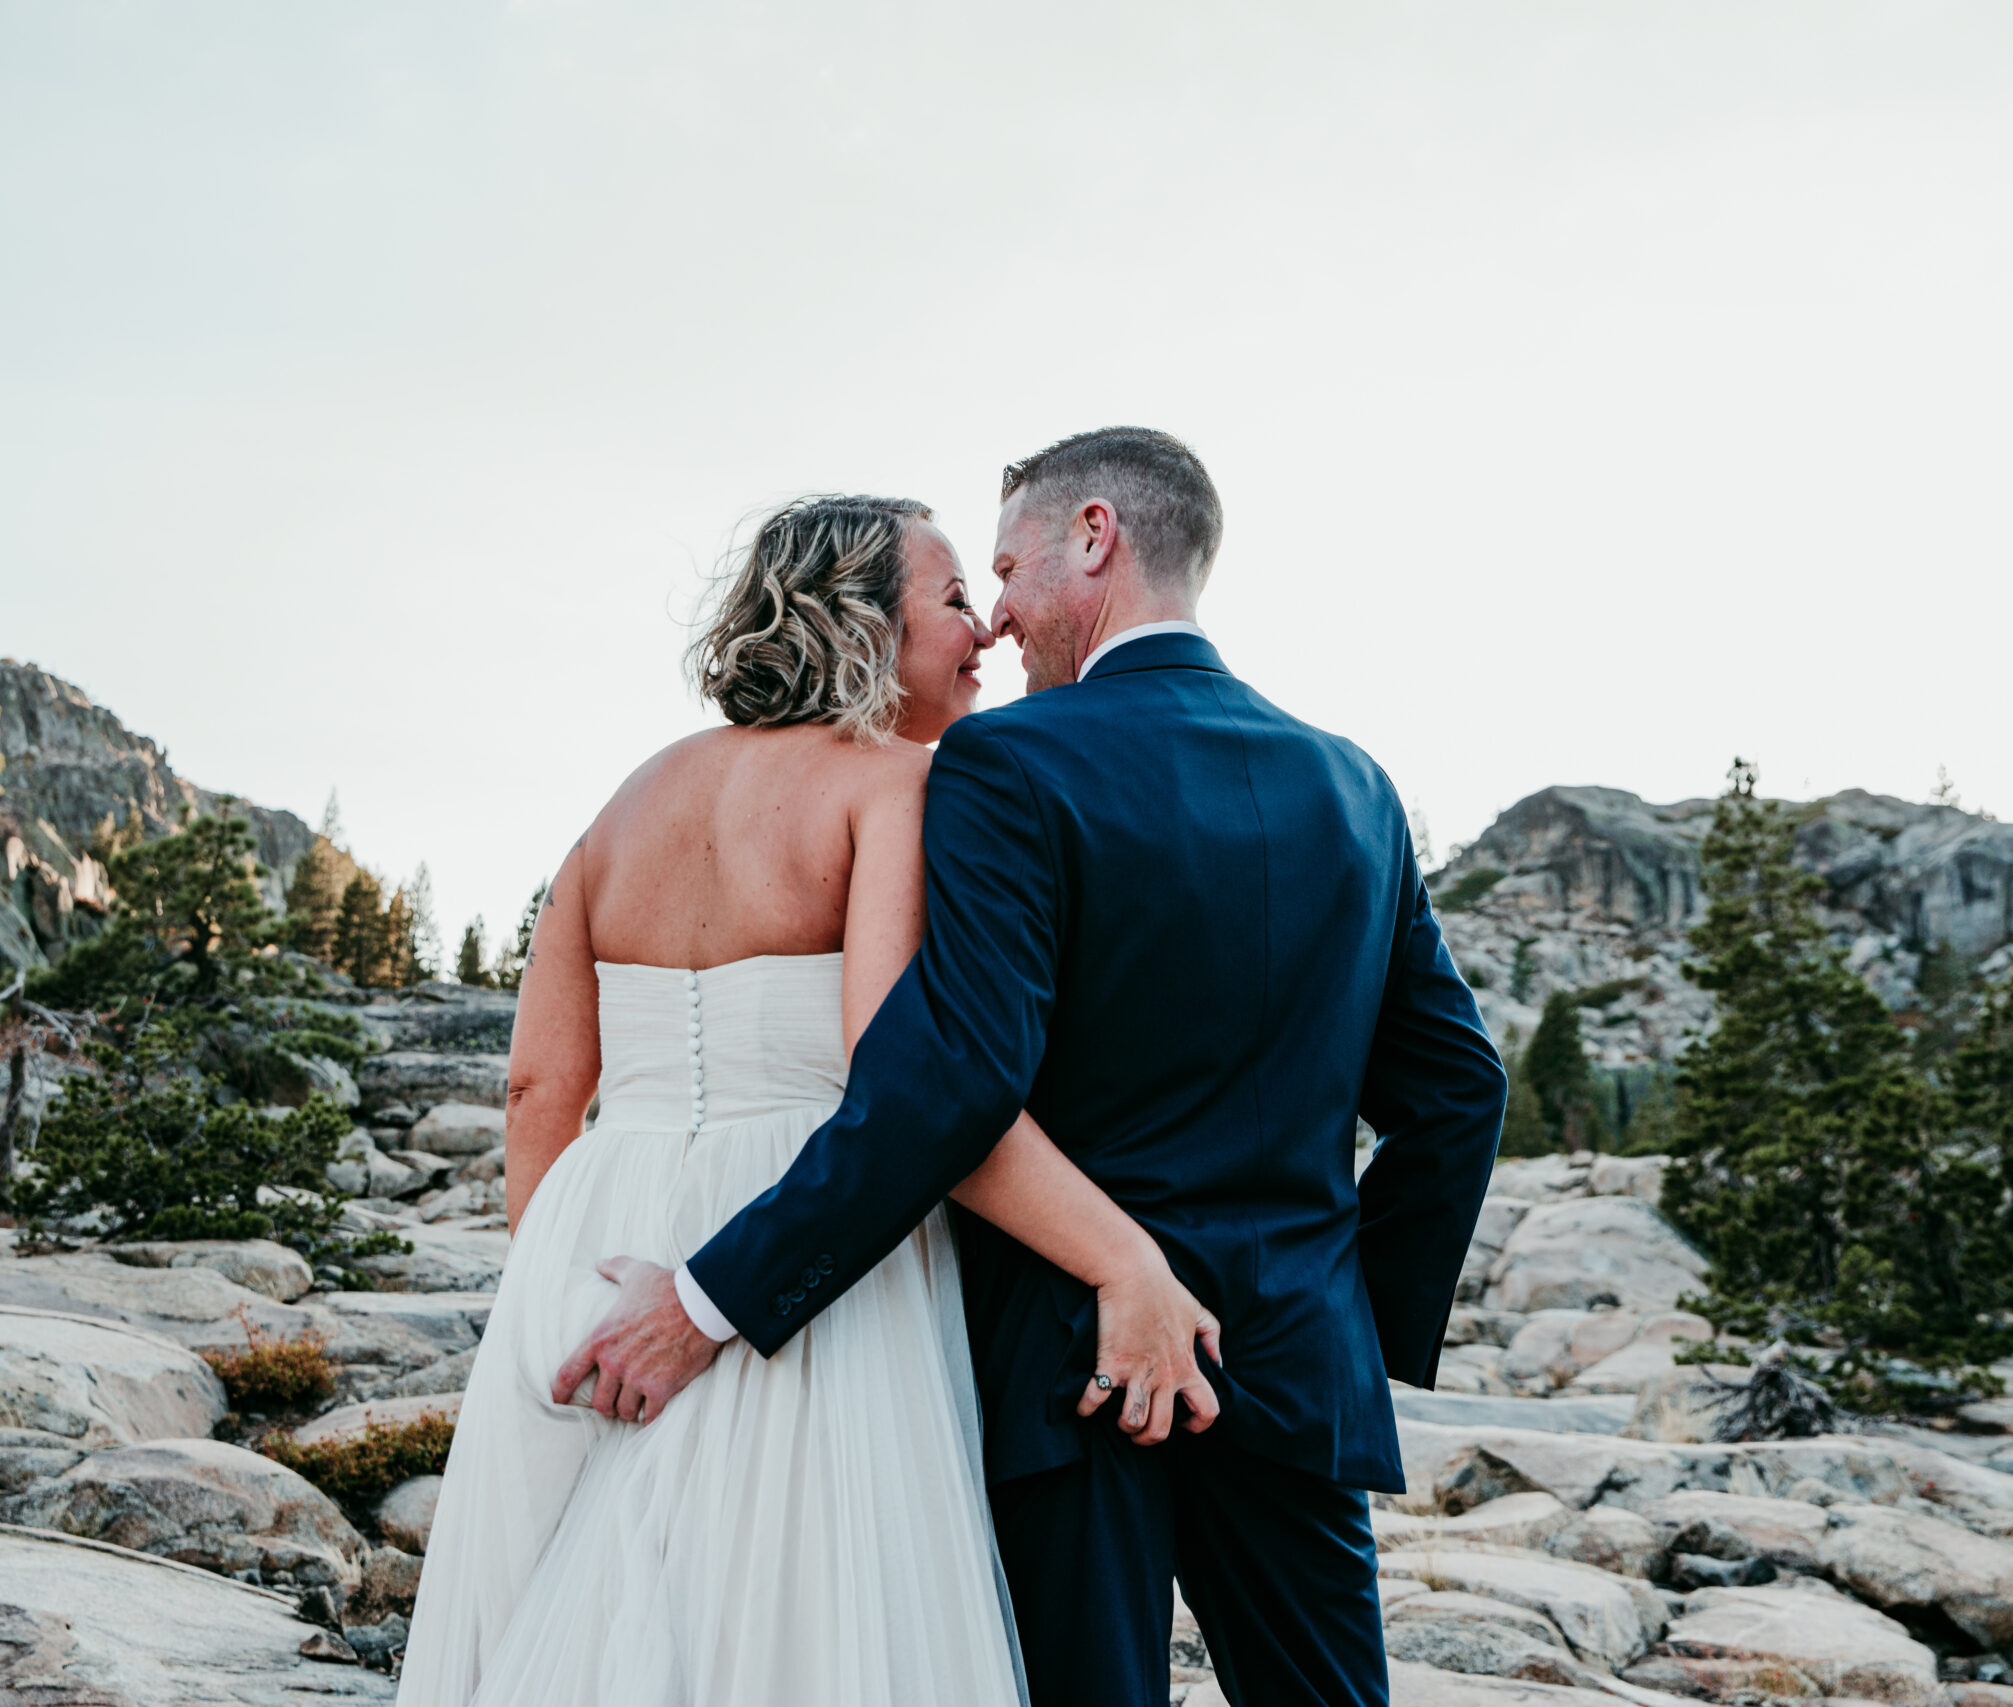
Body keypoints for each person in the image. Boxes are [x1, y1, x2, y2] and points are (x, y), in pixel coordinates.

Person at [557, 427, 1510, 1707]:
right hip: (1293, 1374)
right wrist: (1338, 1318)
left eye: (1004, 569)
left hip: (1074, 1376)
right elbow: (1459, 1095)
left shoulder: (1012, 761)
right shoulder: (1355, 786)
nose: (996, 618)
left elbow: (944, 1076)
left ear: (1096, 537)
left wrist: (714, 1301)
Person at [395, 492, 1219, 1707]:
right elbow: (901, 1076)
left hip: (591, 1238)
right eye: (949, 601)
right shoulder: (897, 787)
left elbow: (536, 1086)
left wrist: (557, 1283)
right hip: (799, 1233)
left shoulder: (621, 805)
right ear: (864, 623)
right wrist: (1120, 1260)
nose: (981, 631)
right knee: (787, 1622)